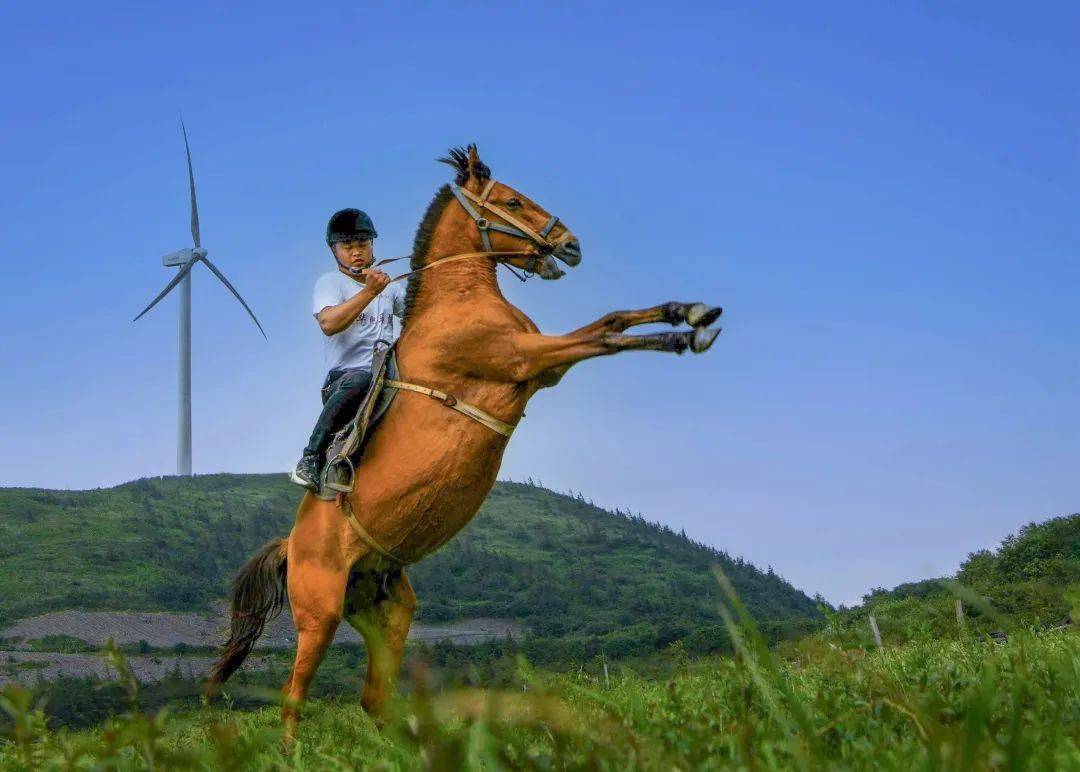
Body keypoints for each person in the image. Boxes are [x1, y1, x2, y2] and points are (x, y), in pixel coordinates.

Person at [290, 208, 405, 491]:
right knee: (361, 377)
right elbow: (328, 323)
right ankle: (310, 459)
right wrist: (369, 292)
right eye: (348, 247)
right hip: (347, 378)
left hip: (388, 371)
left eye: (363, 245)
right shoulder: (331, 283)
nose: (357, 253)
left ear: (372, 246)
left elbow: (417, 313)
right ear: (335, 251)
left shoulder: (390, 287)